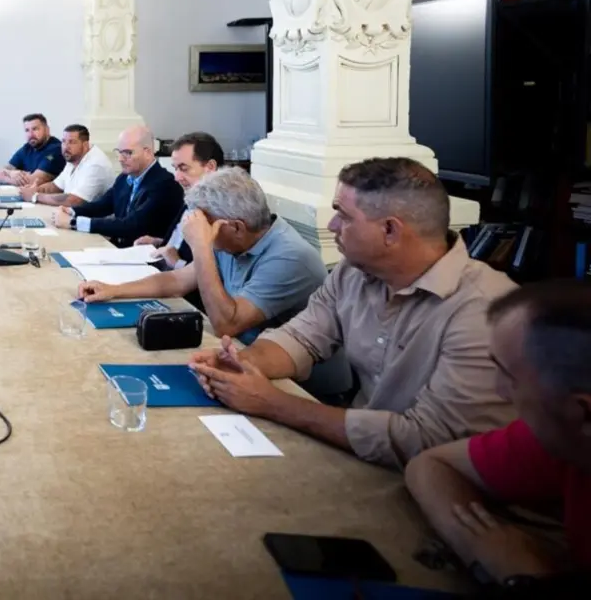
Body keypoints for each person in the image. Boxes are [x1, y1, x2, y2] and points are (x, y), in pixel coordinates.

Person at [189, 158, 516, 468]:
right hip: (365, 457)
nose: (331, 226)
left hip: (444, 484)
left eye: (343, 216)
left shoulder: (484, 310)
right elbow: (300, 337)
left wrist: (272, 402)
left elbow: (427, 439)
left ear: (390, 230)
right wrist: (242, 364)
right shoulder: (353, 274)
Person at [405, 281, 591, 588]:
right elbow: (430, 465)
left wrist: (527, 577)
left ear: (581, 410)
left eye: (508, 376)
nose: (499, 391)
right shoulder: (559, 438)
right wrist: (480, 543)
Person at [79, 168, 324, 343]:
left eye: (203, 223)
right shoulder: (233, 241)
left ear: (236, 227)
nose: (197, 229)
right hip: (243, 354)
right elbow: (176, 281)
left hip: (304, 387)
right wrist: (113, 290)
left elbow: (226, 324)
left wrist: (201, 246)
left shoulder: (290, 257)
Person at [52, 125, 183, 248]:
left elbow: (132, 225)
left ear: (147, 152)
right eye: (119, 152)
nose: (120, 158)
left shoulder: (165, 184)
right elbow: (103, 205)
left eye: (127, 153)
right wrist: (71, 211)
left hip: (144, 258)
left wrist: (73, 223)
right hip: (119, 249)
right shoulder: (125, 177)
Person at [134, 132, 225, 270]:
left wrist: (177, 263)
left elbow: (212, 274)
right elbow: (181, 245)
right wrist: (159, 243)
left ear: (210, 167)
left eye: (184, 168)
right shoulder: (193, 197)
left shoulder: (222, 211)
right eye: (175, 168)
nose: (176, 177)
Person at [16, 124, 115, 208]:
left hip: (93, 224)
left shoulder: (95, 165)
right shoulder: (74, 157)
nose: (66, 147)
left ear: (85, 145)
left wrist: (35, 196)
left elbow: (75, 201)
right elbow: (55, 186)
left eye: (71, 142)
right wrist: (35, 189)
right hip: (72, 216)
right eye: (63, 141)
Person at [0, 113, 65, 187]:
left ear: (47, 130)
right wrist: (11, 173)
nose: (30, 135)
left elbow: (32, 181)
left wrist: (6, 176)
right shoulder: (27, 148)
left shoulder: (56, 150)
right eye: (27, 130)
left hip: (43, 197)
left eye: (35, 129)